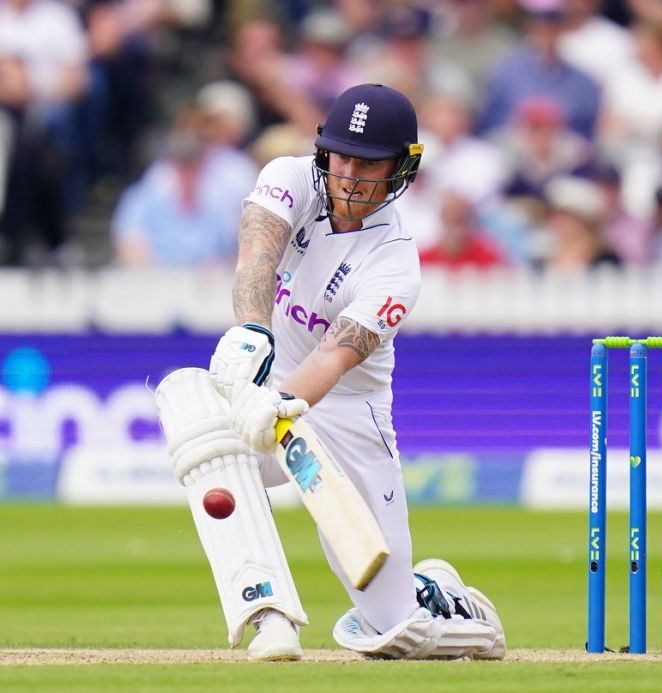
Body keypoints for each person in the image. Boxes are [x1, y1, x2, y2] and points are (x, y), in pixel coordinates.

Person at [153, 83, 505, 661]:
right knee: (200, 425)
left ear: (402, 168)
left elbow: (335, 356)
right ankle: (269, 616)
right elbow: (257, 256)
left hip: (346, 416)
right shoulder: (289, 177)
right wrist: (250, 334)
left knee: (393, 631)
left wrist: (280, 402)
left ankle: (441, 595)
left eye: (368, 163)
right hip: (266, 375)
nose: (349, 174)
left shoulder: (396, 263)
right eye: (340, 156)